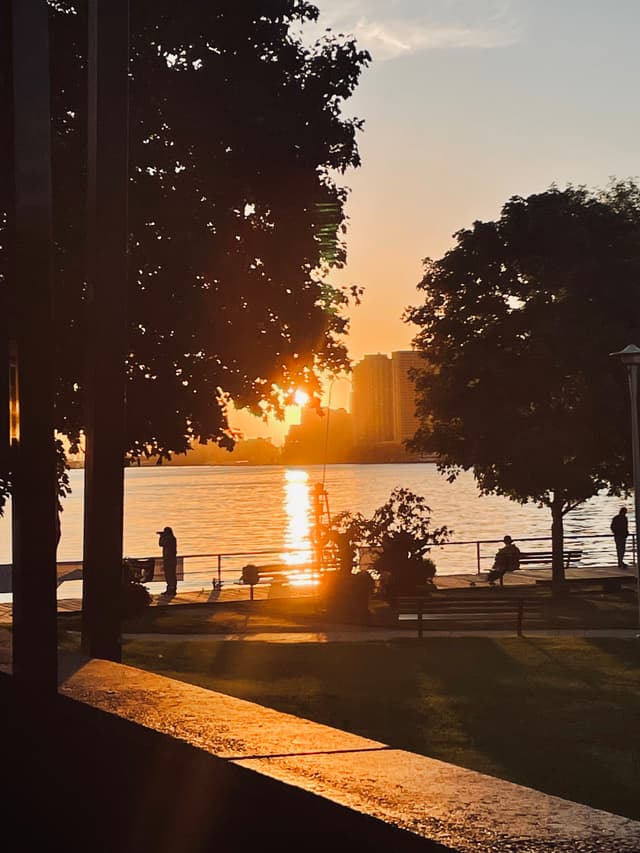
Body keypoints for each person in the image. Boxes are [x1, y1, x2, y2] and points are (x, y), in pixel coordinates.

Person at [157, 526, 177, 595]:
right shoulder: (173, 538)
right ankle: (172, 589)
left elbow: (160, 544)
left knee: (169, 575)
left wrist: (161, 536)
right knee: (172, 575)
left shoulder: (169, 539)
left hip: (168, 559)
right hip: (172, 559)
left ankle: (170, 590)